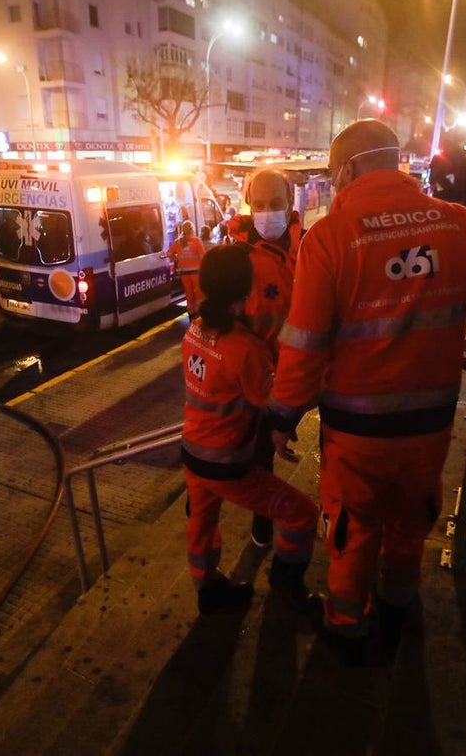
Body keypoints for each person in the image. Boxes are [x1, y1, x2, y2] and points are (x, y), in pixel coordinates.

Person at [268, 119, 466, 660]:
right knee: (410, 520)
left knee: (352, 527)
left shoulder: (328, 238)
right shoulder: (463, 225)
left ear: (348, 168)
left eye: (332, 173)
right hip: (431, 423)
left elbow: (303, 345)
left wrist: (280, 415)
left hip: (356, 431)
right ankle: (397, 609)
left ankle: (345, 624)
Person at [181, 245, 319, 616]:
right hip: (228, 463)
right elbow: (275, 401)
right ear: (245, 295)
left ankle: (207, 589)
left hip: (193, 454)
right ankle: (286, 583)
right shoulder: (245, 349)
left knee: (202, 524)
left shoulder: (194, 330)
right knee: (302, 514)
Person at [224, 167, 304, 550]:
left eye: (275, 204)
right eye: (259, 204)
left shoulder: (308, 249)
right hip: (259, 382)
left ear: (290, 204)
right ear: (248, 205)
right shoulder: (234, 257)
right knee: (260, 458)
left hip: (299, 375)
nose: (267, 212)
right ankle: (262, 523)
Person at [164, 219, 206, 317]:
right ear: (192, 229)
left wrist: (177, 259)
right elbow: (202, 256)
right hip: (196, 272)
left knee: (189, 292)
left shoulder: (178, 242)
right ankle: (199, 312)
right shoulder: (196, 241)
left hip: (184, 272)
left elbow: (169, 254)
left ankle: (191, 311)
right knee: (198, 292)